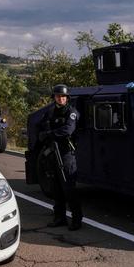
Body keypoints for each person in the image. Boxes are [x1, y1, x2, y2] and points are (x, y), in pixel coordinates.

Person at [38, 84, 83, 231]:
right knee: (56, 188)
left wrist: (50, 134)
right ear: (54, 97)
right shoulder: (50, 112)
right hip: (52, 153)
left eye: (63, 96)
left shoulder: (72, 112)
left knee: (69, 188)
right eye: (58, 96)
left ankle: (76, 220)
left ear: (67, 98)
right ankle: (59, 218)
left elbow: (68, 129)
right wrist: (43, 133)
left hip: (66, 155)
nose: (61, 98)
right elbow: (41, 125)